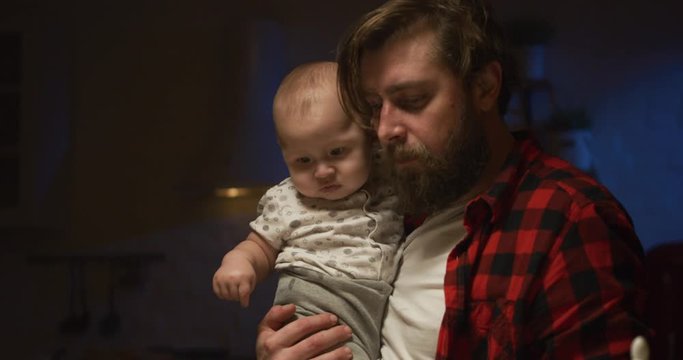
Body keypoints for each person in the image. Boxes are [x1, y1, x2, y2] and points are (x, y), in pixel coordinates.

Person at [255, 1, 651, 359]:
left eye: (411, 101)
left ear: (484, 87)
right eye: (375, 107)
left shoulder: (571, 220)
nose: (384, 129)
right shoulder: (400, 200)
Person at [212, 61, 403, 360]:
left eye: (337, 152)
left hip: (370, 306)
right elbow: (258, 247)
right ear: (284, 152)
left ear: (369, 135)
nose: (323, 172)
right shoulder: (288, 199)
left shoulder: (390, 177)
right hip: (313, 303)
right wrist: (238, 263)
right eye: (303, 160)